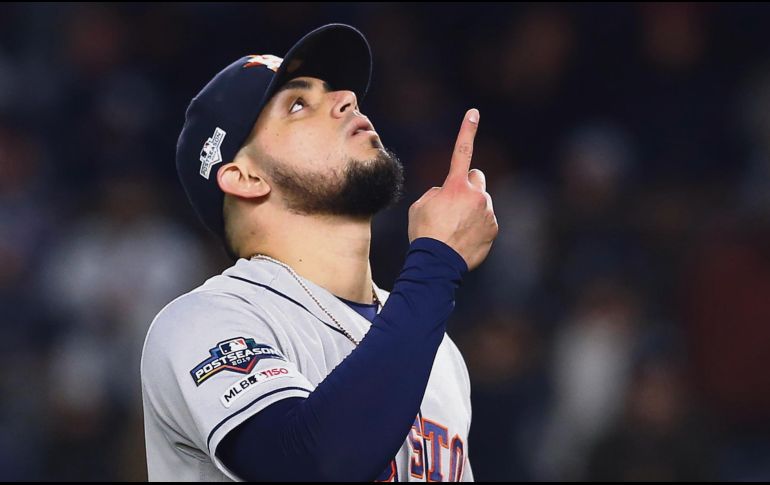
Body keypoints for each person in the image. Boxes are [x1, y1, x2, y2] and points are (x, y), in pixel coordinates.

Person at [140, 23, 497, 482]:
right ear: (245, 177)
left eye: (336, 91)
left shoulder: (440, 350)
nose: (347, 98)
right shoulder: (204, 322)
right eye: (297, 104)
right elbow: (308, 464)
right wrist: (437, 261)